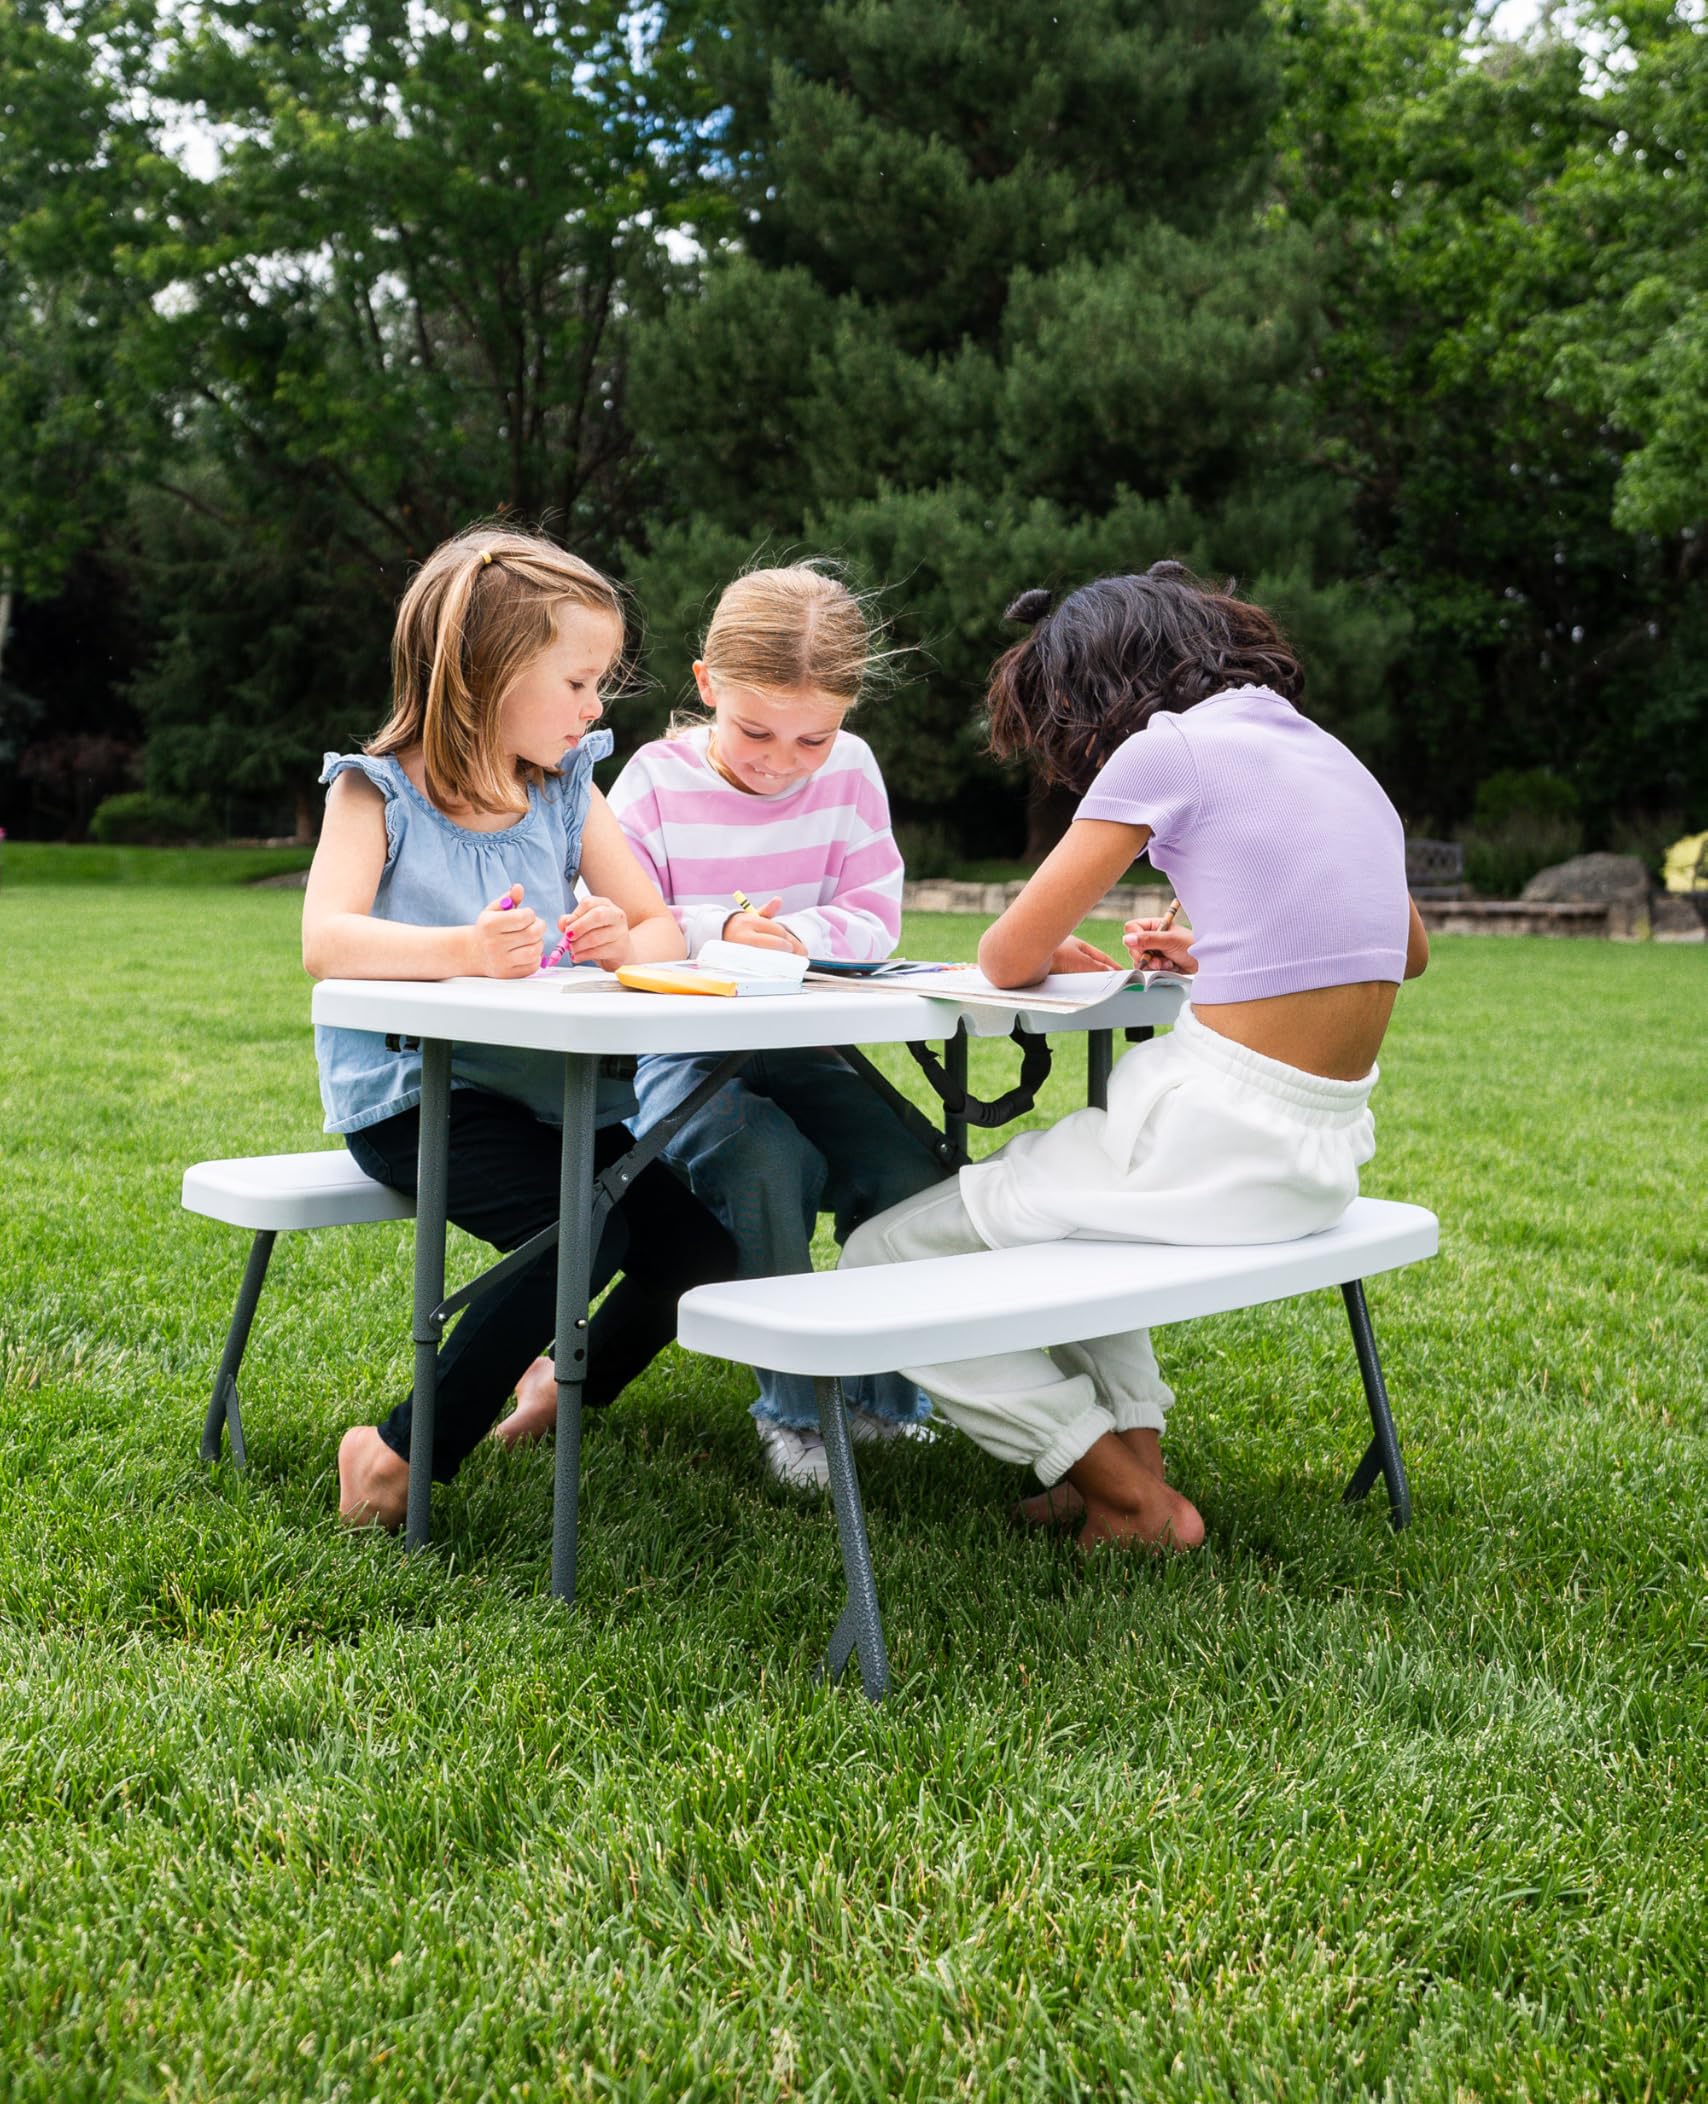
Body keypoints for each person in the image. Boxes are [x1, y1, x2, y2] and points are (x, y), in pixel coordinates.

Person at [840, 562, 1431, 1555]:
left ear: (1094, 689)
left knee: (875, 1260)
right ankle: (1130, 1465)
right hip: (1317, 1159)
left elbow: (1005, 954)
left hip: (1204, 1133)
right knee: (1079, 1233)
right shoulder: (1331, 755)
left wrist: (1050, 946)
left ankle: (1121, 1493)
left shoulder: (1167, 749)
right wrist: (1220, 951)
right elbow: (1405, 949)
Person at [301, 526, 737, 1531]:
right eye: (579, 683)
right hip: (419, 1095)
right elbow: (326, 939)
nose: (596, 707)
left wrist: (621, 936)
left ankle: (552, 1393)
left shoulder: (563, 787)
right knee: (586, 1235)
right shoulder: (377, 792)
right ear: (487, 676)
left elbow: (662, 926)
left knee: (697, 1252)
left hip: (553, 1088)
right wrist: (461, 947)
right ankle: (397, 1453)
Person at [506, 563, 947, 1491]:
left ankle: (887, 1400)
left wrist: (793, 935)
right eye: (755, 730)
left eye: (811, 738)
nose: (781, 760)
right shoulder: (652, 786)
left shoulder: (853, 770)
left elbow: (874, 915)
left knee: (914, 1173)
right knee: (763, 1160)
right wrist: (715, 936)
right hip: (678, 1055)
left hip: (807, 1047)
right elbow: (614, 924)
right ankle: (797, 1414)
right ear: (707, 686)